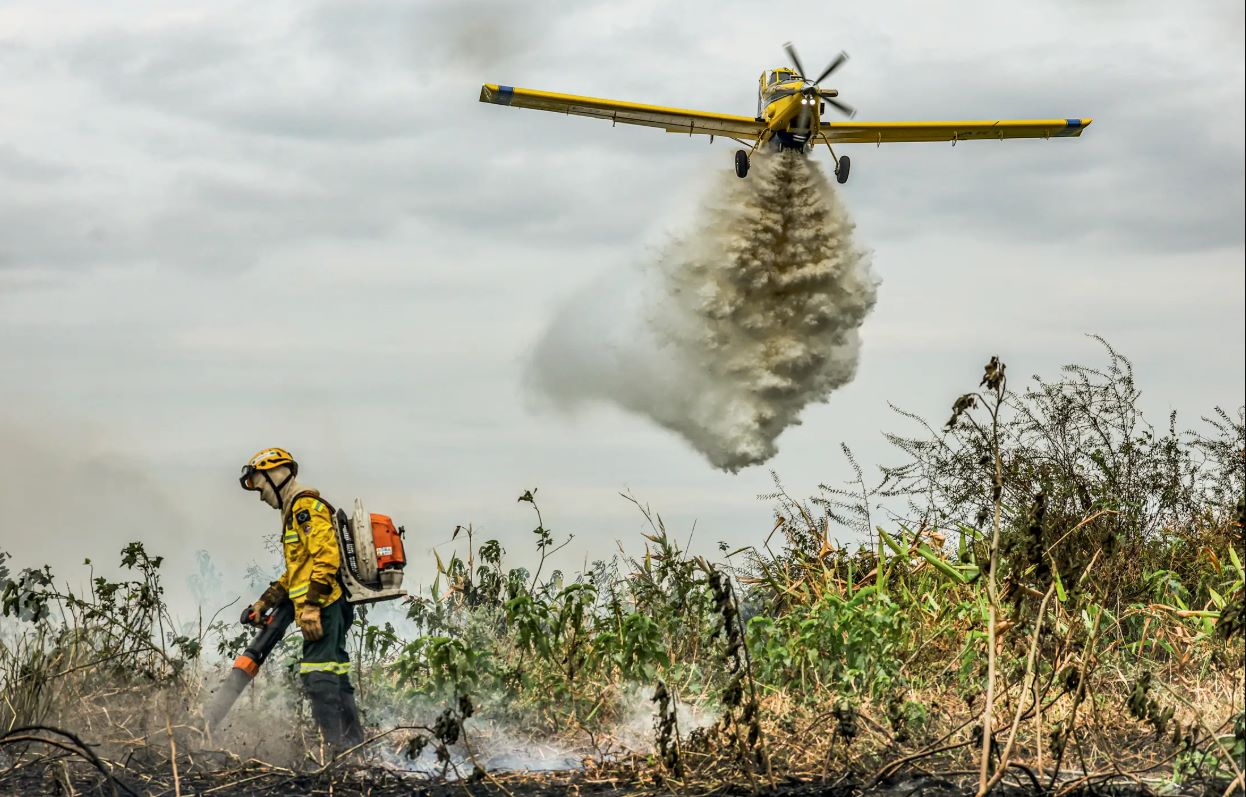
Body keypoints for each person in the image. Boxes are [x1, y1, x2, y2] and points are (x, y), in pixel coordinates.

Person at [239, 447, 364, 749]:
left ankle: (336, 755)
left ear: (276, 475)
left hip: (323, 605)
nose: (260, 496)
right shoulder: (295, 511)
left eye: (260, 486)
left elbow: (326, 556)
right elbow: (297, 573)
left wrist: (311, 606)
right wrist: (264, 602)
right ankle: (354, 750)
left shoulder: (304, 507)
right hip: (328, 604)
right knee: (337, 678)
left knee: (317, 677)